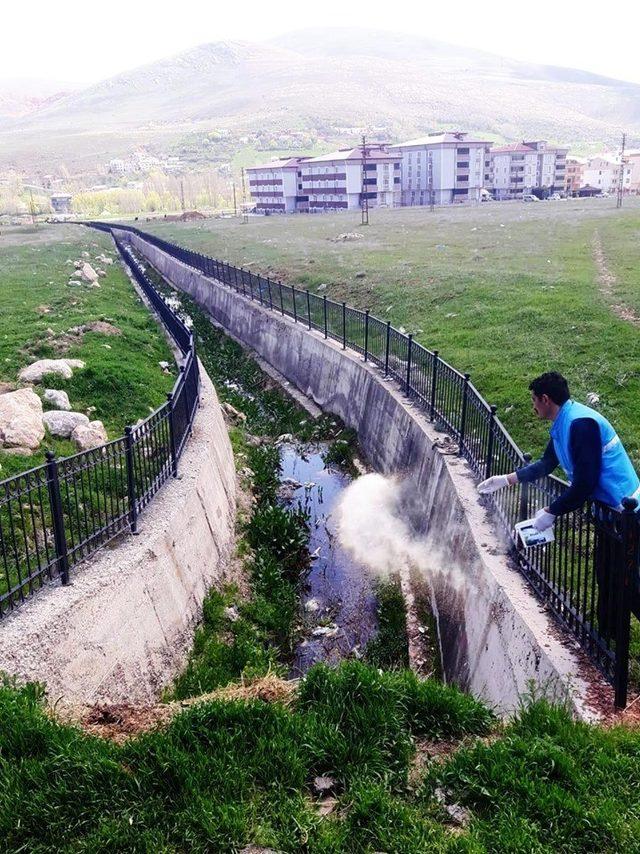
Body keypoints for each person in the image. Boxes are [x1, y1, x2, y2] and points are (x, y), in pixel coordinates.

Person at [477, 371, 640, 638]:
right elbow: (546, 464)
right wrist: (507, 479)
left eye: (534, 400)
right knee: (607, 575)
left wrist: (551, 511)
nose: (533, 406)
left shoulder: (581, 424)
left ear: (545, 398)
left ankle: (614, 647)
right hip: (609, 514)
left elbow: (585, 483)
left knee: (627, 584)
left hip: (626, 512)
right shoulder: (563, 422)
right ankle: (610, 637)